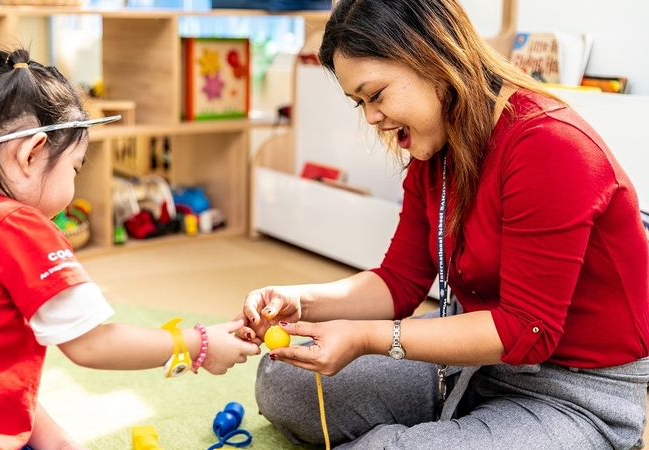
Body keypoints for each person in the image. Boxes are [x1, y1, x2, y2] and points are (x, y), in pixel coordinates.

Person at [237, 0, 649, 449]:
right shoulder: (436, 144)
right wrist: (304, 301)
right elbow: (399, 282)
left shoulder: (551, 146)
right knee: (285, 379)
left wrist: (366, 338)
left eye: (376, 95)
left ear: (432, 59)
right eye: (360, 103)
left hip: (571, 390)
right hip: (477, 362)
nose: (371, 117)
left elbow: (525, 331)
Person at [0, 48, 260, 450]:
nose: (74, 183)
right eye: (75, 168)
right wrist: (200, 344)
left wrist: (59, 443)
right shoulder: (17, 224)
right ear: (31, 154)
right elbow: (92, 344)